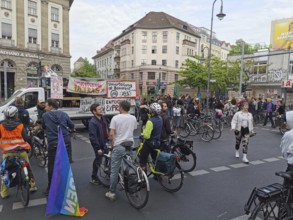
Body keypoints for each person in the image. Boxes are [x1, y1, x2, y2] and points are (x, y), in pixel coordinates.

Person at [0, 106, 37, 199]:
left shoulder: (1, 126)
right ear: (16, 115)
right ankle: (32, 185)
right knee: (28, 168)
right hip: (21, 151)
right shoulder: (20, 125)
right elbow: (26, 138)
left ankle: (4, 192)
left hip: (8, 152)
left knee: (6, 171)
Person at [42, 99, 75, 195]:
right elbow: (71, 125)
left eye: (46, 106)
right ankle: (67, 187)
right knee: (66, 164)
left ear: (51, 106)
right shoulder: (64, 114)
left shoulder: (45, 115)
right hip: (65, 141)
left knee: (52, 166)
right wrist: (72, 129)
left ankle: (50, 188)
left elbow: (44, 126)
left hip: (54, 143)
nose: (45, 108)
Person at [105, 101, 137, 201]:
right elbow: (133, 130)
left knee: (114, 170)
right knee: (131, 167)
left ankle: (112, 192)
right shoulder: (133, 118)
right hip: (130, 145)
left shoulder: (115, 118)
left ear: (121, 107)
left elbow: (111, 135)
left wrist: (112, 144)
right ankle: (132, 187)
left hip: (119, 145)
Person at [88, 103, 109, 185]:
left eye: (101, 108)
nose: (101, 110)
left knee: (109, 157)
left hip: (106, 142)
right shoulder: (92, 122)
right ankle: (94, 177)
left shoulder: (103, 118)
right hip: (99, 144)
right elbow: (93, 137)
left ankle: (108, 171)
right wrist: (98, 148)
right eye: (99, 109)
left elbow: (107, 128)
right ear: (94, 112)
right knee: (98, 160)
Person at [139, 103, 163, 171]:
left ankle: (143, 177)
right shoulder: (160, 118)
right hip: (157, 142)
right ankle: (157, 173)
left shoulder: (150, 122)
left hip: (150, 143)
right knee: (154, 158)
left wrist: (143, 133)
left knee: (142, 159)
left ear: (152, 111)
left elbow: (146, 136)